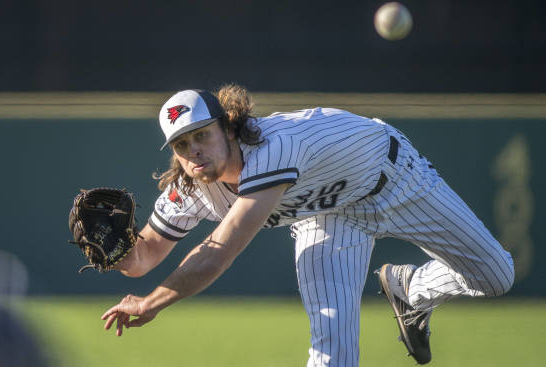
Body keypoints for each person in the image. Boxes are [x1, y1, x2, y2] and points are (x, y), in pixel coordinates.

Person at [101, 84, 514, 366]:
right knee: (332, 352)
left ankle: (413, 290)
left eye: (202, 136)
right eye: (181, 145)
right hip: (327, 218)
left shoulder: (272, 148)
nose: (194, 152)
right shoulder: (191, 186)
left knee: (497, 275)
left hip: (394, 178)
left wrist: (149, 303)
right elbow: (143, 256)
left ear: (228, 128)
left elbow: (217, 253)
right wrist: (116, 254)